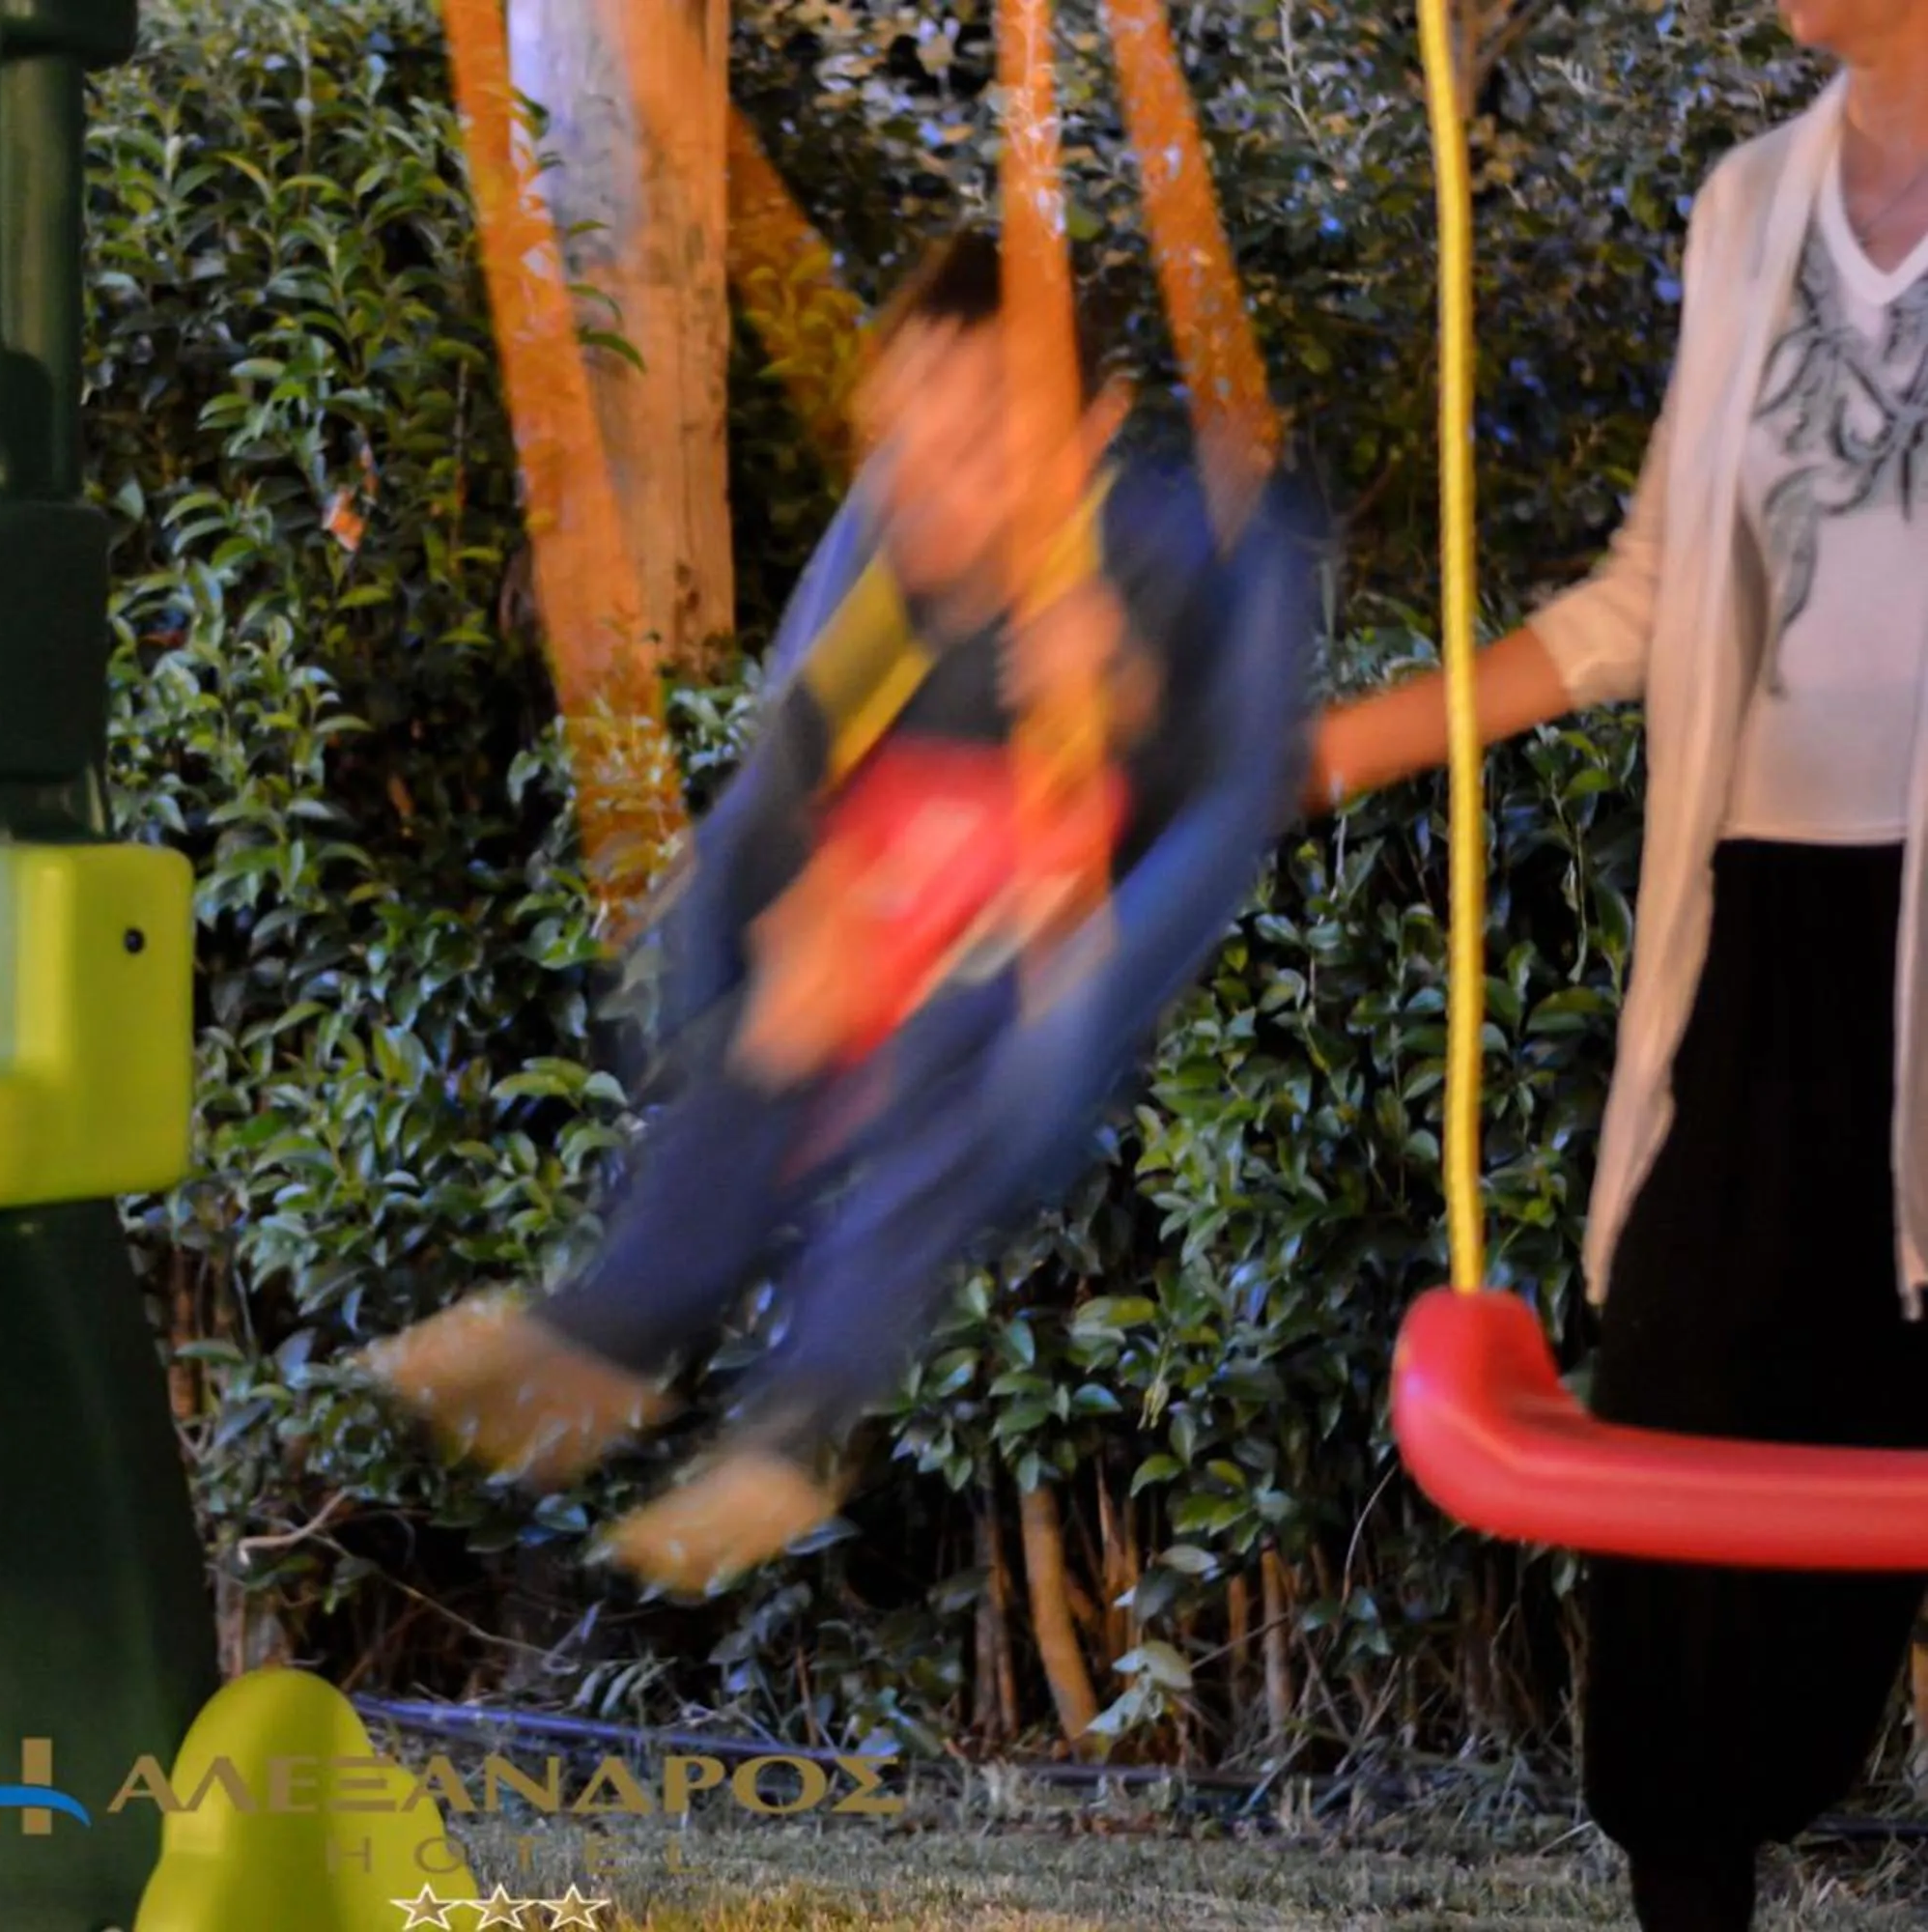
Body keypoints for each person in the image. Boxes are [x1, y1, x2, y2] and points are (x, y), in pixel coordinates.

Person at [361, 227, 1323, 1597]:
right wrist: (779, 898)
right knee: (752, 1064)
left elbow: (1201, 774)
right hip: (885, 879)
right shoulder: (903, 557)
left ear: (1092, 425)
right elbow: (808, 742)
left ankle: (794, 1433)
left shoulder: (1155, 550)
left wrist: (1113, 693)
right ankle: (609, 1336)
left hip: (1033, 907)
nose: (940, 474)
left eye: (988, 434)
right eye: (914, 433)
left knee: (935, 1096)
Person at [1303, 5, 1928, 1924]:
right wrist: (1330, 749)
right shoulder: (1753, 204)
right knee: (1678, 1431)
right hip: (1758, 940)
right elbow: (1650, 598)